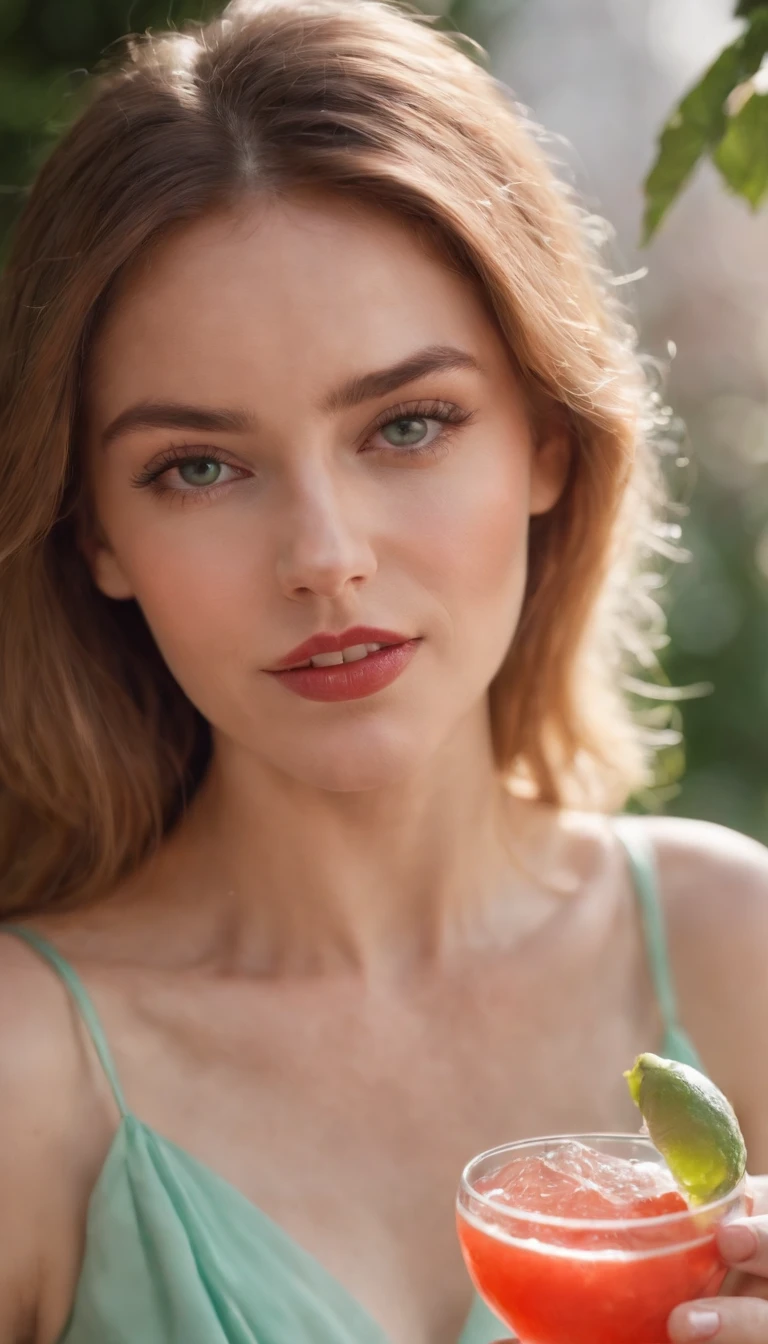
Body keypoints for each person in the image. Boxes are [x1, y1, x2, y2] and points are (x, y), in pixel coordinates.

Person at [1, 0, 768, 1340]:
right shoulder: (25, 1079)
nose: (324, 557)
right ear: (96, 535)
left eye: (407, 424)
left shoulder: (738, 951)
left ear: (545, 438)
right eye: (198, 466)